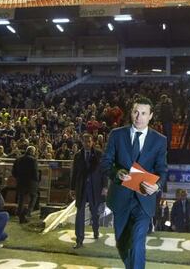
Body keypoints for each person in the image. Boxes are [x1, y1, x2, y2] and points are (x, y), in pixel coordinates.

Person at [101, 96, 167, 269]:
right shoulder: (116, 135)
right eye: (136, 112)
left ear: (151, 115)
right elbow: (105, 163)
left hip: (144, 201)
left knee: (138, 242)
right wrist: (117, 173)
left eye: (144, 113)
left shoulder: (160, 140)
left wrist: (157, 186)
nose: (139, 117)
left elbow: (162, 170)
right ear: (131, 112)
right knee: (122, 245)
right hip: (120, 199)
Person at [70, 133, 107, 249]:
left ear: (92, 142)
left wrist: (105, 186)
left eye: (89, 141)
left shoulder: (99, 154)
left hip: (95, 188)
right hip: (81, 188)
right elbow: (74, 173)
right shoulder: (78, 156)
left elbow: (104, 172)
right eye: (85, 141)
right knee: (79, 214)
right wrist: (72, 188)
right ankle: (79, 239)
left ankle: (95, 230)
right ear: (82, 142)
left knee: (94, 212)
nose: (87, 143)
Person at [12, 146, 39, 224]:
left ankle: (20, 213)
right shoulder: (33, 160)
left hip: (20, 181)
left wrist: (17, 177)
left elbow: (13, 171)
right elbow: (35, 172)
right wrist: (36, 181)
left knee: (21, 198)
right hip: (31, 182)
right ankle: (28, 212)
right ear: (32, 152)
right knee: (34, 196)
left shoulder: (18, 159)